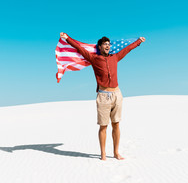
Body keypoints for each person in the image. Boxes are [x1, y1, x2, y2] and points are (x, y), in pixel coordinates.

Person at [60, 32, 145, 160]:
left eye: (108, 44)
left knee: (116, 124)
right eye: (104, 44)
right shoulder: (94, 59)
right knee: (103, 126)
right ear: (99, 47)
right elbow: (80, 48)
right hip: (103, 96)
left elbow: (127, 49)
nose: (107, 46)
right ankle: (103, 154)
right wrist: (67, 38)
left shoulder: (115, 57)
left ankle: (116, 153)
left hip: (117, 94)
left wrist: (138, 41)